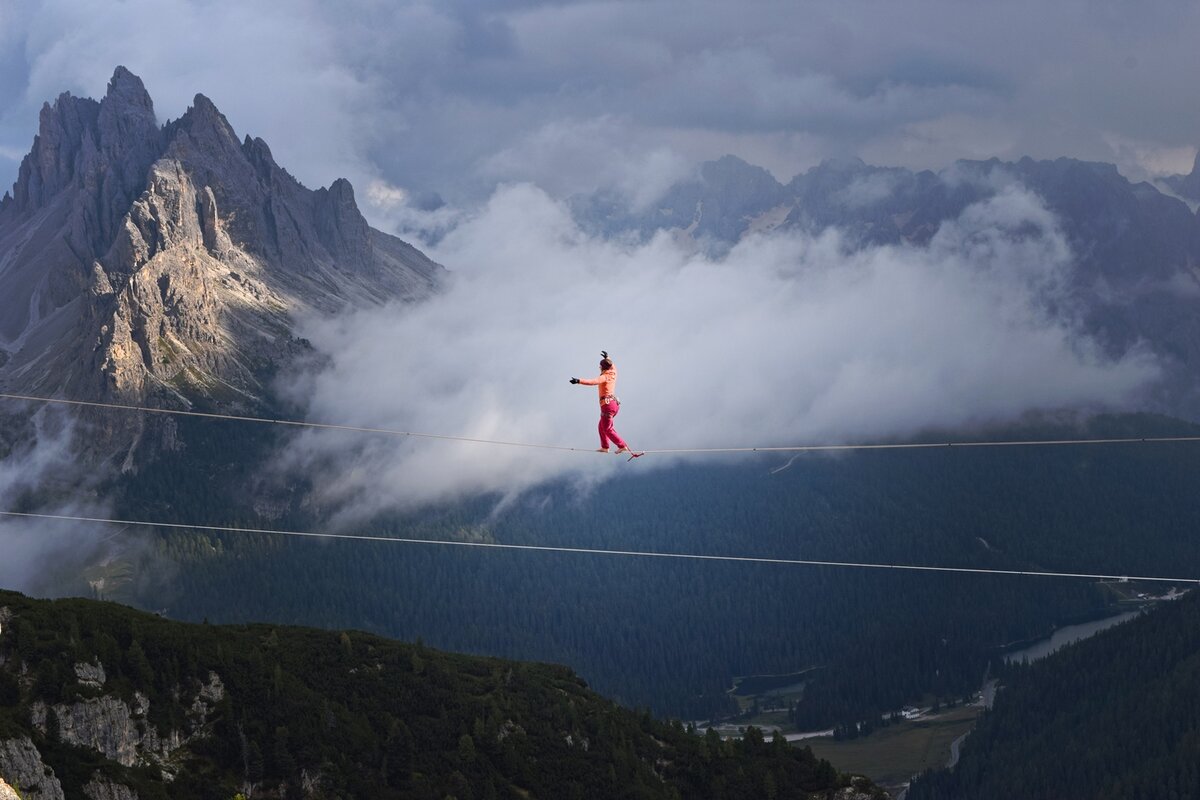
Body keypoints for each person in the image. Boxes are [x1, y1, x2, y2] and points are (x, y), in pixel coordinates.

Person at [570, 351, 634, 455]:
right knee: (602, 426)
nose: (599, 368)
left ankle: (622, 446)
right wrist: (607, 357)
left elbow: (593, 382)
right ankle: (605, 447)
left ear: (602, 368)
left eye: (600, 366)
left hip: (608, 405)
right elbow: (612, 365)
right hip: (614, 404)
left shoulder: (604, 377)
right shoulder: (613, 372)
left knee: (607, 429)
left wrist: (578, 381)